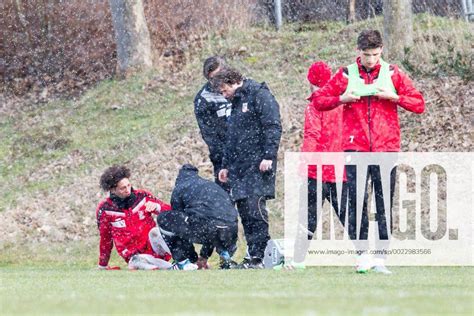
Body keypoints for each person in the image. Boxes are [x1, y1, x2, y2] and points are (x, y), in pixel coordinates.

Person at [312, 30, 425, 274]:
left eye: (375, 54)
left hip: (386, 149)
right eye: (366, 55)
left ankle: (381, 259)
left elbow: (419, 104)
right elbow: (318, 100)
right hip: (355, 148)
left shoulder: (393, 74)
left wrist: (394, 97)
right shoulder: (345, 74)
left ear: (381, 50)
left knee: (384, 205)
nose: (371, 60)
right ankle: (362, 255)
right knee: (357, 203)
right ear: (358, 51)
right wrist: (342, 98)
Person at [210, 68, 282, 269]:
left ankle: (261, 256)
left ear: (234, 82)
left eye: (225, 91)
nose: (224, 96)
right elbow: (231, 138)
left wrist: (269, 155)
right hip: (239, 168)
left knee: (255, 210)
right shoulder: (236, 103)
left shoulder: (260, 95)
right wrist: (225, 165)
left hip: (258, 165)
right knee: (245, 213)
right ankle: (253, 255)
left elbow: (273, 126)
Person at [276, 61, 344, 270]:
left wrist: (304, 164)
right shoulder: (343, 103)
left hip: (318, 170)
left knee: (307, 217)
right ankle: (366, 257)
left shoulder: (315, 106)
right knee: (348, 216)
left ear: (312, 82)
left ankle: (298, 261)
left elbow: (312, 136)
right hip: (341, 169)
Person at [157, 164, 239, 270]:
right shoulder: (211, 185)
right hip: (230, 231)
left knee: (164, 219)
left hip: (206, 227)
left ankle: (183, 262)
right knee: (218, 224)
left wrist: (192, 257)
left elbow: (179, 228)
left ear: (179, 177)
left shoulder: (180, 188)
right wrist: (204, 256)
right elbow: (214, 221)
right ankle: (225, 256)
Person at [96, 165, 173, 270]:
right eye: (123, 188)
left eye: (129, 185)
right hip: (136, 257)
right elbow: (106, 239)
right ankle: (167, 268)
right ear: (112, 189)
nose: (128, 190)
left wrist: (158, 207)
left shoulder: (143, 197)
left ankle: (183, 259)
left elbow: (172, 213)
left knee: (155, 232)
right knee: (135, 261)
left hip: (156, 249)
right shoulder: (105, 209)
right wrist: (103, 265)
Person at [194, 56, 232, 190]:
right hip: (223, 157)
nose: (218, 81)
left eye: (220, 75)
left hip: (249, 151)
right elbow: (210, 136)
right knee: (225, 202)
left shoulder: (241, 86)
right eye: (213, 78)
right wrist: (226, 159)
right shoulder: (203, 100)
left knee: (253, 203)